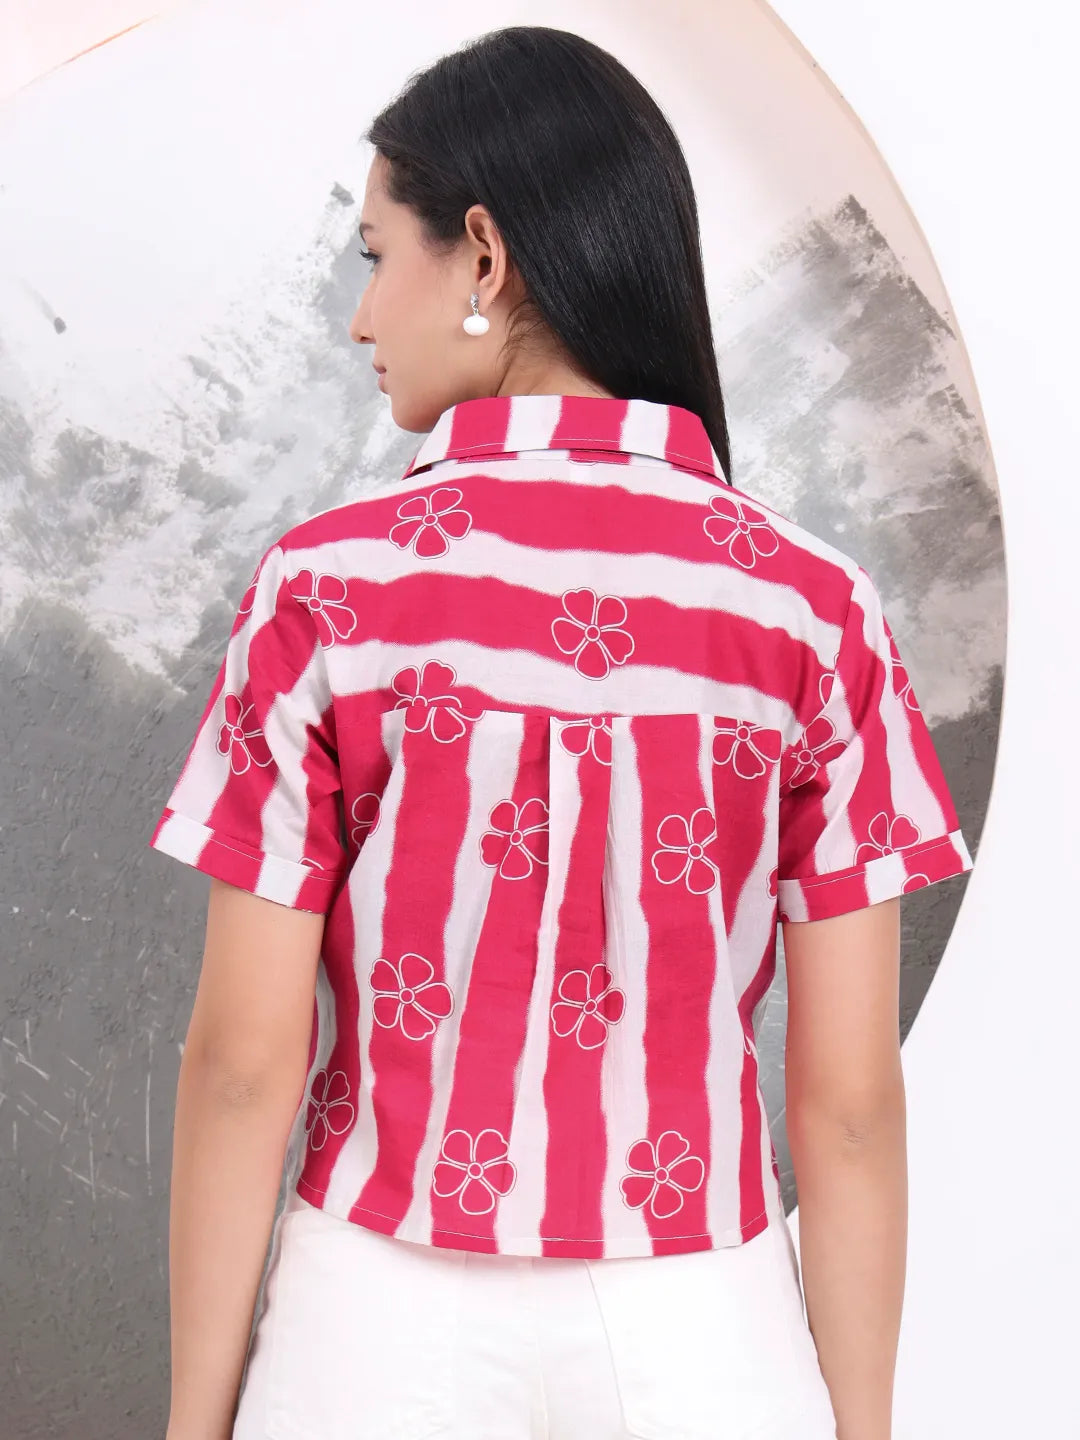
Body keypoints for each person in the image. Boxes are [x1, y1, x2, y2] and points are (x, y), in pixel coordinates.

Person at [149, 24, 974, 1440]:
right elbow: (846, 1107)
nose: (360, 318)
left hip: (372, 1322)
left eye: (374, 257)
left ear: (482, 255)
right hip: (700, 1326)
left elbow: (241, 1065)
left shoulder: (327, 587)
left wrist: (193, 1423)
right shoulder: (814, 607)